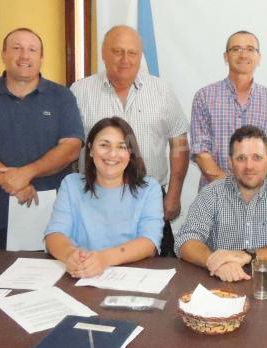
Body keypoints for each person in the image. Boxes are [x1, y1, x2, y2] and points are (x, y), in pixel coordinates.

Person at [0, 28, 84, 250]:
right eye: (17, 48)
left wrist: (27, 173)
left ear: (41, 57)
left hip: (53, 213)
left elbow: (71, 147)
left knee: (54, 279)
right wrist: (10, 182)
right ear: (3, 54)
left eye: (32, 50)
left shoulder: (61, 96)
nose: (25, 56)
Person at [70, 25, 188, 257]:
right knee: (96, 266)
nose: (125, 59)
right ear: (104, 53)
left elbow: (180, 142)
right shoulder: (79, 91)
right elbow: (72, 147)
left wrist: (173, 194)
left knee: (157, 268)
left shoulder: (161, 90)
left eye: (132, 53)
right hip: (95, 198)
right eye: (117, 51)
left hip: (149, 198)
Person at [175, 125, 267, 282]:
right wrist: (213, 261)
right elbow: (186, 240)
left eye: (257, 157)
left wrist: (246, 256)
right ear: (230, 162)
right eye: (241, 158)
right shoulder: (211, 193)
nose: (249, 166)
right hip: (220, 282)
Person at [45, 117, 163, 278]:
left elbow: (149, 242)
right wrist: (70, 255)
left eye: (121, 147)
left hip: (128, 278)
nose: (112, 154)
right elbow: (54, 234)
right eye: (104, 145)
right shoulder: (71, 185)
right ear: (91, 150)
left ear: (130, 153)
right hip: (79, 275)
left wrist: (104, 259)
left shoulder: (149, 188)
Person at [190, 30, 267, 190]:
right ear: (226, 56)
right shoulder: (204, 97)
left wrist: (248, 183)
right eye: (236, 49)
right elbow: (200, 150)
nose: (243, 54)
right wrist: (232, 185)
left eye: (250, 49)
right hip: (214, 196)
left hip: (259, 199)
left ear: (258, 57)